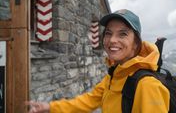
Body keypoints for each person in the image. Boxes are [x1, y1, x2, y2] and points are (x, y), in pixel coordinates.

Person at [26, 9, 170, 113]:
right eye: (108, 33)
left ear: (136, 45)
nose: (112, 40)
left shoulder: (148, 86)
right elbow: (89, 100)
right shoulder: (114, 75)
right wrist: (49, 107)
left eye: (123, 34)